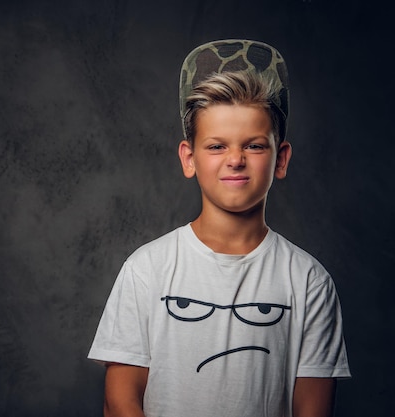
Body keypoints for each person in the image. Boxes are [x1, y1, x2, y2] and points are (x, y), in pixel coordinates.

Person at [87, 39, 351, 417]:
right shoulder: (146, 269)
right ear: (189, 158)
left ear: (282, 159)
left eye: (255, 146)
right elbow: (119, 402)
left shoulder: (309, 281)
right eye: (216, 146)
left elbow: (312, 410)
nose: (235, 160)